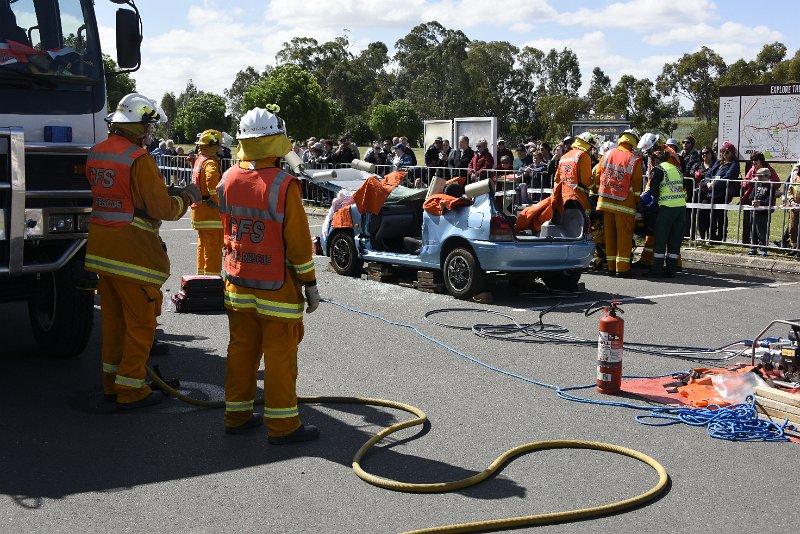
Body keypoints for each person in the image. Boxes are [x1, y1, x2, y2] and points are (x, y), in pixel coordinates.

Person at [85, 92, 201, 409]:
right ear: (137, 126)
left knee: (113, 324)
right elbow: (161, 208)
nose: (150, 132)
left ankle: (112, 384)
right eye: (148, 126)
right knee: (140, 325)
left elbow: (122, 195)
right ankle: (132, 389)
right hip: (132, 255)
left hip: (102, 252)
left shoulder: (97, 153)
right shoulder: (139, 159)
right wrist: (187, 197)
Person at [217, 105, 320, 442]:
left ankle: (236, 415)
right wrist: (310, 284)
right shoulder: (283, 185)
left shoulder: (228, 178)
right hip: (276, 287)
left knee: (241, 350)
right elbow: (299, 244)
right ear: (277, 140)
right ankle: (282, 426)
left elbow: (227, 228)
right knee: (279, 356)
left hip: (237, 281)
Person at [595, 129, 643, 278]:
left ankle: (610, 267)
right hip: (624, 204)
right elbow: (636, 185)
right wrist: (637, 201)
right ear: (634, 141)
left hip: (605, 202)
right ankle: (622, 268)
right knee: (624, 236)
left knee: (609, 236)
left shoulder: (607, 154)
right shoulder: (634, 159)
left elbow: (597, 176)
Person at [640, 150, 686, 277]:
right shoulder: (676, 169)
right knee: (675, 239)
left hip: (667, 208)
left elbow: (654, 191)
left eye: (652, 161)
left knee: (660, 239)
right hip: (681, 208)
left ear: (656, 160)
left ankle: (656, 269)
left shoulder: (658, 170)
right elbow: (684, 186)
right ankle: (671, 270)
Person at [191, 129, 225, 275]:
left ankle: (201, 275)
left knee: (202, 245)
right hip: (209, 213)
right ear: (213, 146)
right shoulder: (210, 162)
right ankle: (211, 278)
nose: (220, 148)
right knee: (213, 247)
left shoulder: (200, 159)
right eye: (218, 145)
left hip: (198, 210)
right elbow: (211, 179)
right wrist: (214, 198)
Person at [701, 141, 740, 241]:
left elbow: (729, 176)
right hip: (710, 193)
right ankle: (710, 235)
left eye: (727, 152)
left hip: (723, 193)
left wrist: (715, 184)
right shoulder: (718, 162)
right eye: (723, 151)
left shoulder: (734, 164)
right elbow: (708, 174)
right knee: (704, 211)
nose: (724, 153)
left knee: (720, 214)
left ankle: (721, 236)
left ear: (731, 153)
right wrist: (708, 183)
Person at [554, 131, 599, 214]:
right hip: (578, 197)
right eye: (591, 148)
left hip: (563, 196)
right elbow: (586, 180)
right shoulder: (583, 155)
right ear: (587, 145)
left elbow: (557, 179)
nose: (590, 150)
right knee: (582, 221)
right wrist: (596, 189)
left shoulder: (564, 156)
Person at [740, 152, 779, 246]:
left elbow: (777, 183)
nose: (753, 162)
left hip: (764, 201)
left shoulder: (769, 170)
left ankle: (762, 245)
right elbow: (744, 183)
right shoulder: (752, 169)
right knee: (749, 221)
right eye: (752, 160)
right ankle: (749, 243)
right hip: (750, 198)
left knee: (761, 225)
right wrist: (750, 181)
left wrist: (765, 182)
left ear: (761, 160)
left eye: (755, 160)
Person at [748, 167, 777, 256]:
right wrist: (753, 201)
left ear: (767, 176)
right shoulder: (756, 184)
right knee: (753, 231)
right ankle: (753, 248)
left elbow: (770, 200)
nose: (758, 178)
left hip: (764, 213)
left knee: (762, 231)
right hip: (754, 211)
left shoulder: (771, 186)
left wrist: (760, 202)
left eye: (760, 176)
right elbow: (751, 197)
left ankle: (763, 248)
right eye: (758, 176)